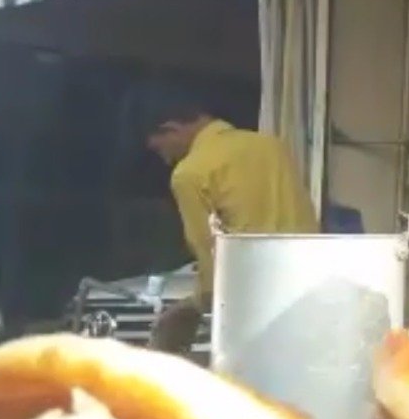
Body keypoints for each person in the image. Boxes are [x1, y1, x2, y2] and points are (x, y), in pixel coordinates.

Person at [125, 82, 318, 355]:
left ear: (171, 128)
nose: (165, 159)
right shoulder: (271, 147)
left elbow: (212, 262)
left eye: (160, 149)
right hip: (308, 294)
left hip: (251, 309)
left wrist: (188, 311)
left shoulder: (190, 173)